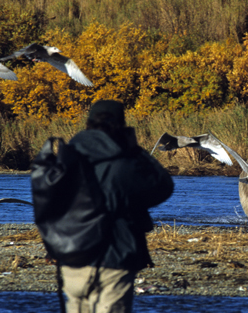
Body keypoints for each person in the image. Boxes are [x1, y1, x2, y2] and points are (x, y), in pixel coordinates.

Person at [54, 100, 173, 312]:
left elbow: (50, 204)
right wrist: (137, 151)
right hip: (114, 258)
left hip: (73, 261)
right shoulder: (123, 163)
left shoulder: (65, 158)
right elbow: (163, 187)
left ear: (88, 123)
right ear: (119, 125)